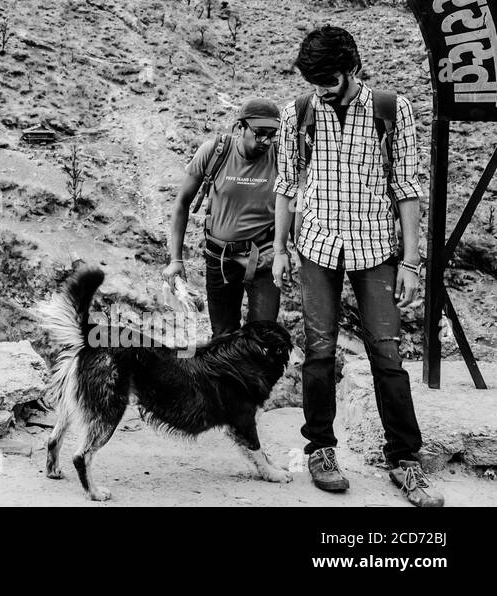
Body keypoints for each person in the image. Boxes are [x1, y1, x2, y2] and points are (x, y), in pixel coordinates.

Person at [272, 25, 441, 507]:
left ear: (353, 69)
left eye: (328, 80)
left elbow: (407, 188)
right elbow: (286, 184)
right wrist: (281, 248)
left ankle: (405, 461)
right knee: (319, 351)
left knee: (387, 354)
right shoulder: (297, 114)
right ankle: (320, 450)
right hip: (318, 244)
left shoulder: (393, 110)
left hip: (377, 249)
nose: (320, 90)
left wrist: (411, 261)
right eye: (313, 82)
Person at [164, 99, 282, 337]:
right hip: (220, 259)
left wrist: (287, 252)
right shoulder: (215, 152)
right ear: (241, 128)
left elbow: (293, 204)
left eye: (272, 135)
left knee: (263, 338)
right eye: (259, 133)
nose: (265, 141)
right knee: (223, 337)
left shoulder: (280, 157)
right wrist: (176, 259)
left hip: (263, 259)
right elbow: (182, 203)